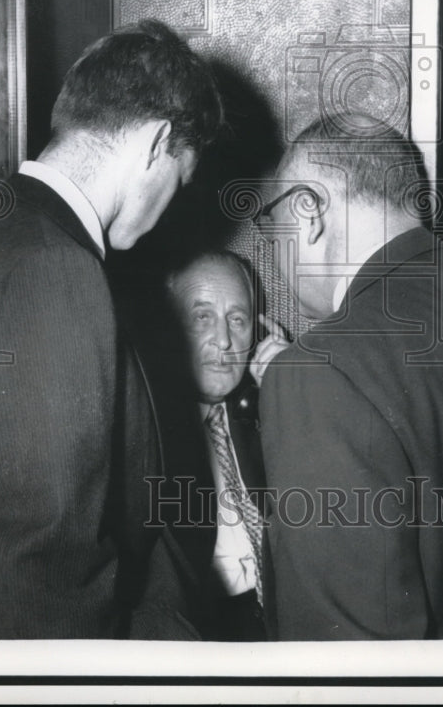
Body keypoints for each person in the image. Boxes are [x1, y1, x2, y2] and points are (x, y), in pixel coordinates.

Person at [0, 19, 222, 639]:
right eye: (178, 182)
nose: (167, 208)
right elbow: (46, 558)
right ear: (157, 143)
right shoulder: (60, 269)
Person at [257, 112, 443, 641]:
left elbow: (346, 665)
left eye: (272, 230)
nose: (275, 256)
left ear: (308, 212)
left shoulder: (317, 372)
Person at [166, 251, 282, 641]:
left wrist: (291, 393)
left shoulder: (270, 411)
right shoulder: (145, 433)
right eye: (202, 317)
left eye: (237, 319)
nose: (224, 339)